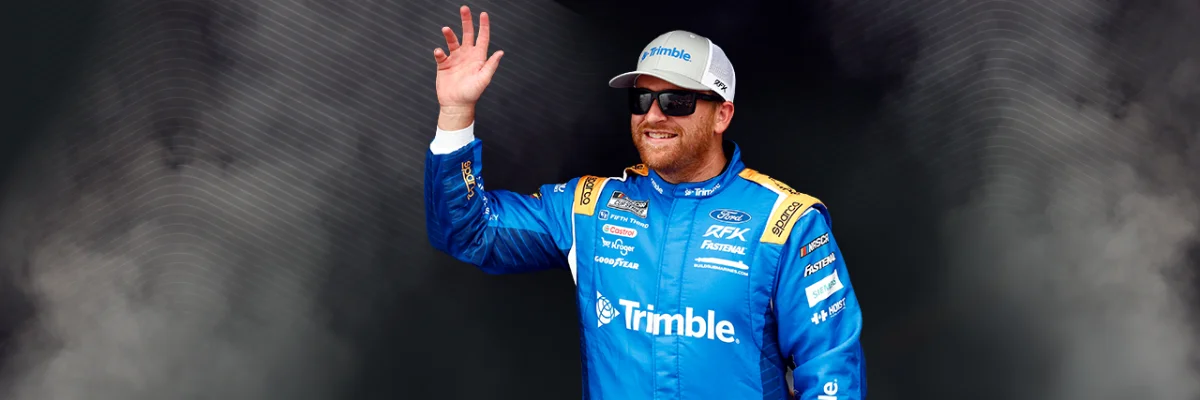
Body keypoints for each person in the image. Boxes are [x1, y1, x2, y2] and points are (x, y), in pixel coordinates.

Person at [423, 5, 866, 399]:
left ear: (722, 114)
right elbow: (469, 232)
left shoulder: (786, 223)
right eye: (641, 99)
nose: (654, 115)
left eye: (677, 100)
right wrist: (456, 114)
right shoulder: (589, 209)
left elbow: (831, 373)